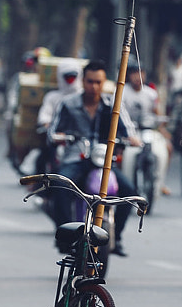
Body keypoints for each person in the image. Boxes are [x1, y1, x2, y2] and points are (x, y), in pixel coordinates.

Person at [51, 60, 139, 256]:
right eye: (90, 81)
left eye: (98, 82)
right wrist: (61, 138)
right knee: (61, 188)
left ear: (104, 82)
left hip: (104, 161)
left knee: (129, 192)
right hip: (76, 158)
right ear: (83, 81)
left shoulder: (113, 105)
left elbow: (129, 130)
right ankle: (67, 237)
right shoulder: (68, 103)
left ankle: (118, 237)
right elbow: (53, 132)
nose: (94, 87)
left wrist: (131, 139)